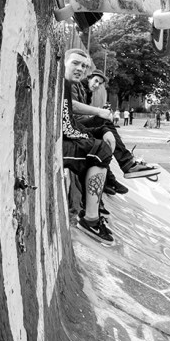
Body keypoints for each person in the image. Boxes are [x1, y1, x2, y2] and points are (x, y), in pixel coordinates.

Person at [61, 50, 116, 243]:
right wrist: (90, 136)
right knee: (99, 151)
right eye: (75, 63)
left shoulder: (67, 84)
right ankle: (90, 220)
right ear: (64, 62)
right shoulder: (62, 84)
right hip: (55, 147)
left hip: (61, 138)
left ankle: (92, 207)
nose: (80, 68)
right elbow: (68, 126)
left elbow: (70, 123)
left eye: (84, 66)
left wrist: (97, 132)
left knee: (98, 145)